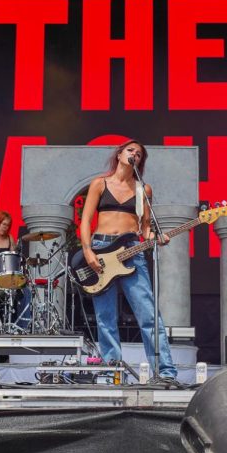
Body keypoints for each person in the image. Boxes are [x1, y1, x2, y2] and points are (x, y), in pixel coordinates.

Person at [79, 140, 177, 382]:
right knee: (106, 317)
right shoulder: (99, 184)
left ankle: (164, 372)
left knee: (148, 315)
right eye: (131, 150)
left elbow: (144, 229)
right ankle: (112, 371)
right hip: (101, 249)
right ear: (120, 153)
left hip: (133, 250)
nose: (135, 154)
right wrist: (88, 251)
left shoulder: (144, 190)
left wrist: (157, 237)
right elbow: (85, 220)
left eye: (140, 153)